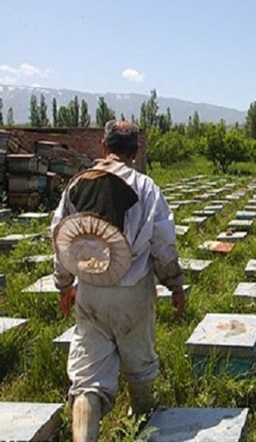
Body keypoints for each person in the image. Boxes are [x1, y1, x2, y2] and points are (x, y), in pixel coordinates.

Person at [50, 120, 185, 441]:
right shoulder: (147, 188)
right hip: (133, 293)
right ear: (135, 152)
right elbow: (164, 246)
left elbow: (61, 239)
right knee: (139, 368)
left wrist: (64, 284)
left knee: (87, 381)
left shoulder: (77, 185)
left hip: (90, 291)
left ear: (103, 148)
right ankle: (140, 428)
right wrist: (175, 285)